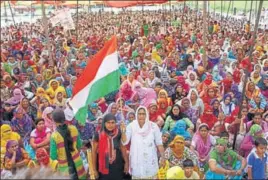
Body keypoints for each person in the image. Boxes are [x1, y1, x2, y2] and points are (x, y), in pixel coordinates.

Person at [121, 106, 164, 179]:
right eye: (139, 114)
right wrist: (123, 131)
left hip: (150, 159)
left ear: (146, 114)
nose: (141, 116)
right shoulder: (131, 126)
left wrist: (163, 157)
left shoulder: (153, 126)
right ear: (136, 115)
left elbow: (159, 143)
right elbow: (124, 142)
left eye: (143, 114)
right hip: (137, 161)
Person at [50, 109, 86, 179]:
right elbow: (79, 145)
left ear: (54, 121)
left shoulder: (54, 136)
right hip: (77, 162)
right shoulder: (74, 128)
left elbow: (53, 156)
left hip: (64, 167)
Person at [92, 113, 128, 180]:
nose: (110, 125)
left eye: (113, 123)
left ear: (115, 123)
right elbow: (94, 152)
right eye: (108, 122)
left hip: (117, 166)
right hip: (104, 167)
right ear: (104, 123)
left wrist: (126, 162)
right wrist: (94, 169)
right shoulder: (98, 134)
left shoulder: (119, 133)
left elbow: (123, 147)